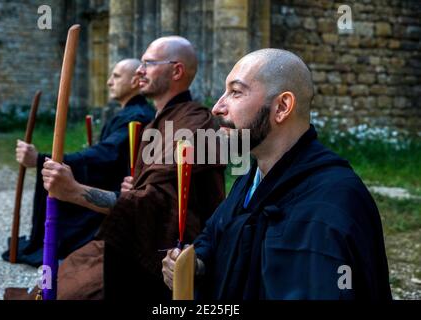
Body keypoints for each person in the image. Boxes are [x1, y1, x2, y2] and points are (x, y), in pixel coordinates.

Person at [162, 48, 392, 300]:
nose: (217, 107)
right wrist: (193, 267)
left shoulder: (334, 201)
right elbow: (213, 242)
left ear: (282, 107)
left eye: (236, 92)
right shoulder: (249, 183)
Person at [41, 36, 226, 300]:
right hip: (140, 235)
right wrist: (135, 187)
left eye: (148, 63)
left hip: (172, 251)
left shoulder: (195, 123)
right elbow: (150, 189)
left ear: (176, 71)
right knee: (69, 275)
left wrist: (74, 191)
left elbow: (160, 202)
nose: (139, 71)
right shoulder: (155, 124)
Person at [3, 59, 155, 267]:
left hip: (118, 198)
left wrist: (41, 159)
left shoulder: (136, 116)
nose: (109, 82)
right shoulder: (129, 113)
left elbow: (105, 155)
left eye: (117, 76)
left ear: (136, 81)